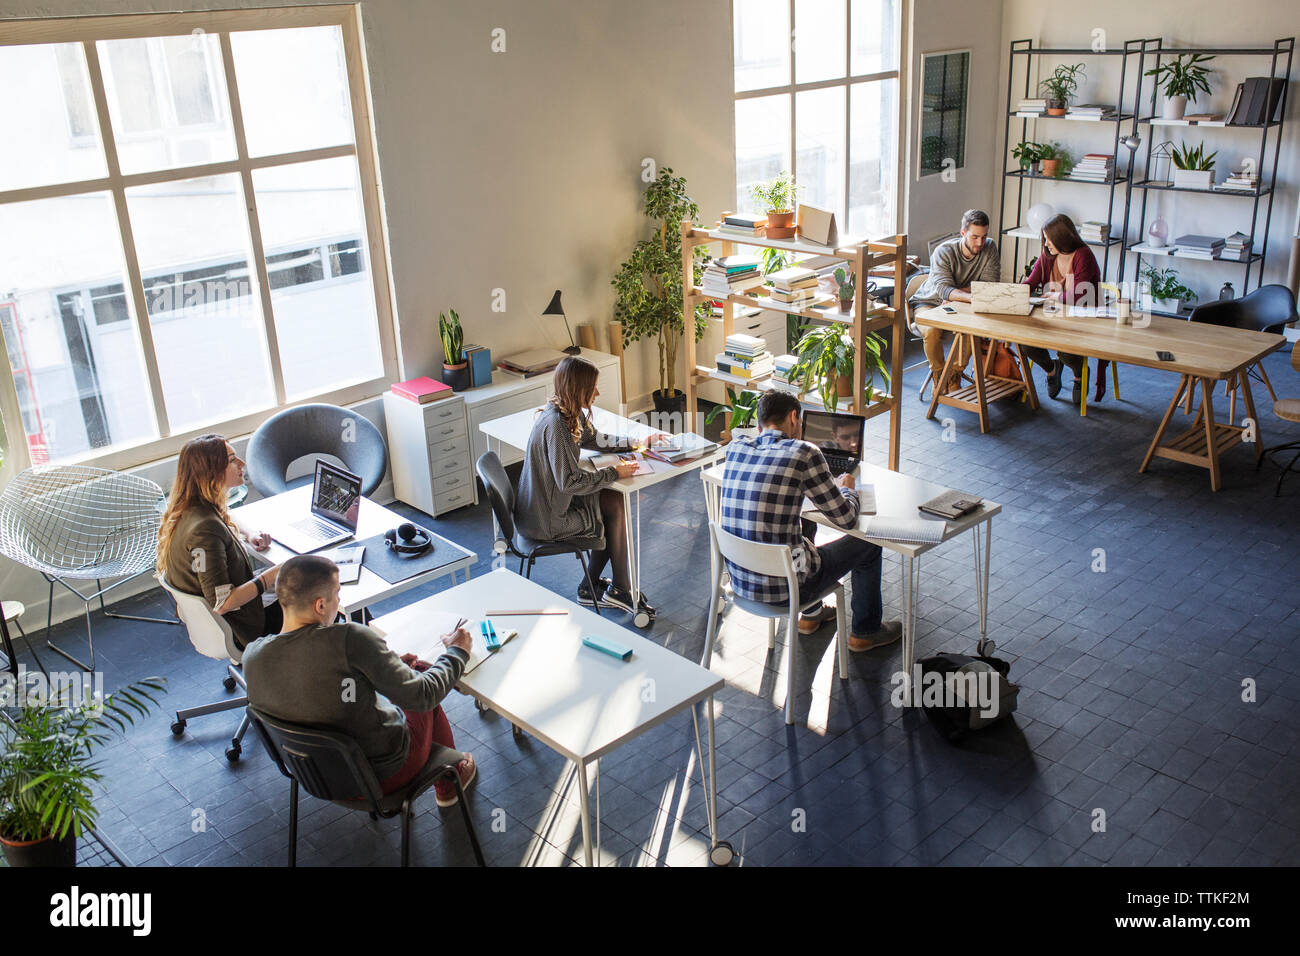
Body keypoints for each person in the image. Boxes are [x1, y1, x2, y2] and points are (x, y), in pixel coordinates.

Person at [242, 554, 477, 806]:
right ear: (320, 605)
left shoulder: (252, 655)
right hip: (382, 776)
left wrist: (383, 665)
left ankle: (451, 767)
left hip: (316, 776)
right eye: (337, 593)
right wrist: (456, 651)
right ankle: (449, 782)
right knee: (421, 676)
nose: (339, 600)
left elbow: (311, 677)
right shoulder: (349, 639)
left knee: (405, 676)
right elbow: (423, 696)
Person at [720, 391, 901, 651]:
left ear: (759, 424)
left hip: (741, 583)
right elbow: (847, 519)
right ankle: (866, 632)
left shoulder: (736, 449)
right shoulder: (804, 452)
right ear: (794, 417)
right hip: (787, 590)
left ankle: (813, 615)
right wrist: (847, 488)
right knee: (869, 543)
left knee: (805, 524)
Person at [515, 355, 657, 618]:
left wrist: (636, 442)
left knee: (613, 503)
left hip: (545, 506)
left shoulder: (566, 412)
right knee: (609, 515)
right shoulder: (557, 425)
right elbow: (569, 482)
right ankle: (619, 589)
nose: (598, 393)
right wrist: (615, 472)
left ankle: (598, 587)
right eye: (593, 387)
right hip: (545, 520)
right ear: (579, 388)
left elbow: (595, 438)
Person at [157, 434, 282, 652]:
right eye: (232, 460)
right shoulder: (205, 531)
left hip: (221, 623)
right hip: (246, 627)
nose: (242, 463)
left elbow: (226, 517)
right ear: (211, 472)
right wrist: (274, 573)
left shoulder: (190, 510)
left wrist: (250, 533)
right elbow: (222, 602)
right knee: (314, 590)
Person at [911, 209, 1002, 394]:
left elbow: (989, 284)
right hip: (929, 302)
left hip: (961, 305)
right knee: (932, 330)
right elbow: (943, 290)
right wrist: (970, 294)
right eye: (974, 237)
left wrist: (956, 295)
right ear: (963, 233)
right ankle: (938, 374)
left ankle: (953, 375)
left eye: (984, 237)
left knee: (969, 332)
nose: (980, 243)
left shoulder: (990, 247)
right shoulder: (944, 251)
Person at [1020, 214, 1106, 404]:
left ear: (1062, 238)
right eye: (1045, 239)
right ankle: (1052, 369)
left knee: (1066, 350)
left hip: (1082, 319)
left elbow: (1079, 296)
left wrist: (1055, 296)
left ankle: (1079, 375)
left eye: (1050, 240)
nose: (1047, 244)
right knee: (1025, 343)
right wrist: (1010, 293)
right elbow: (1031, 283)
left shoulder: (1083, 255)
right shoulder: (1047, 256)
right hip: (1054, 317)